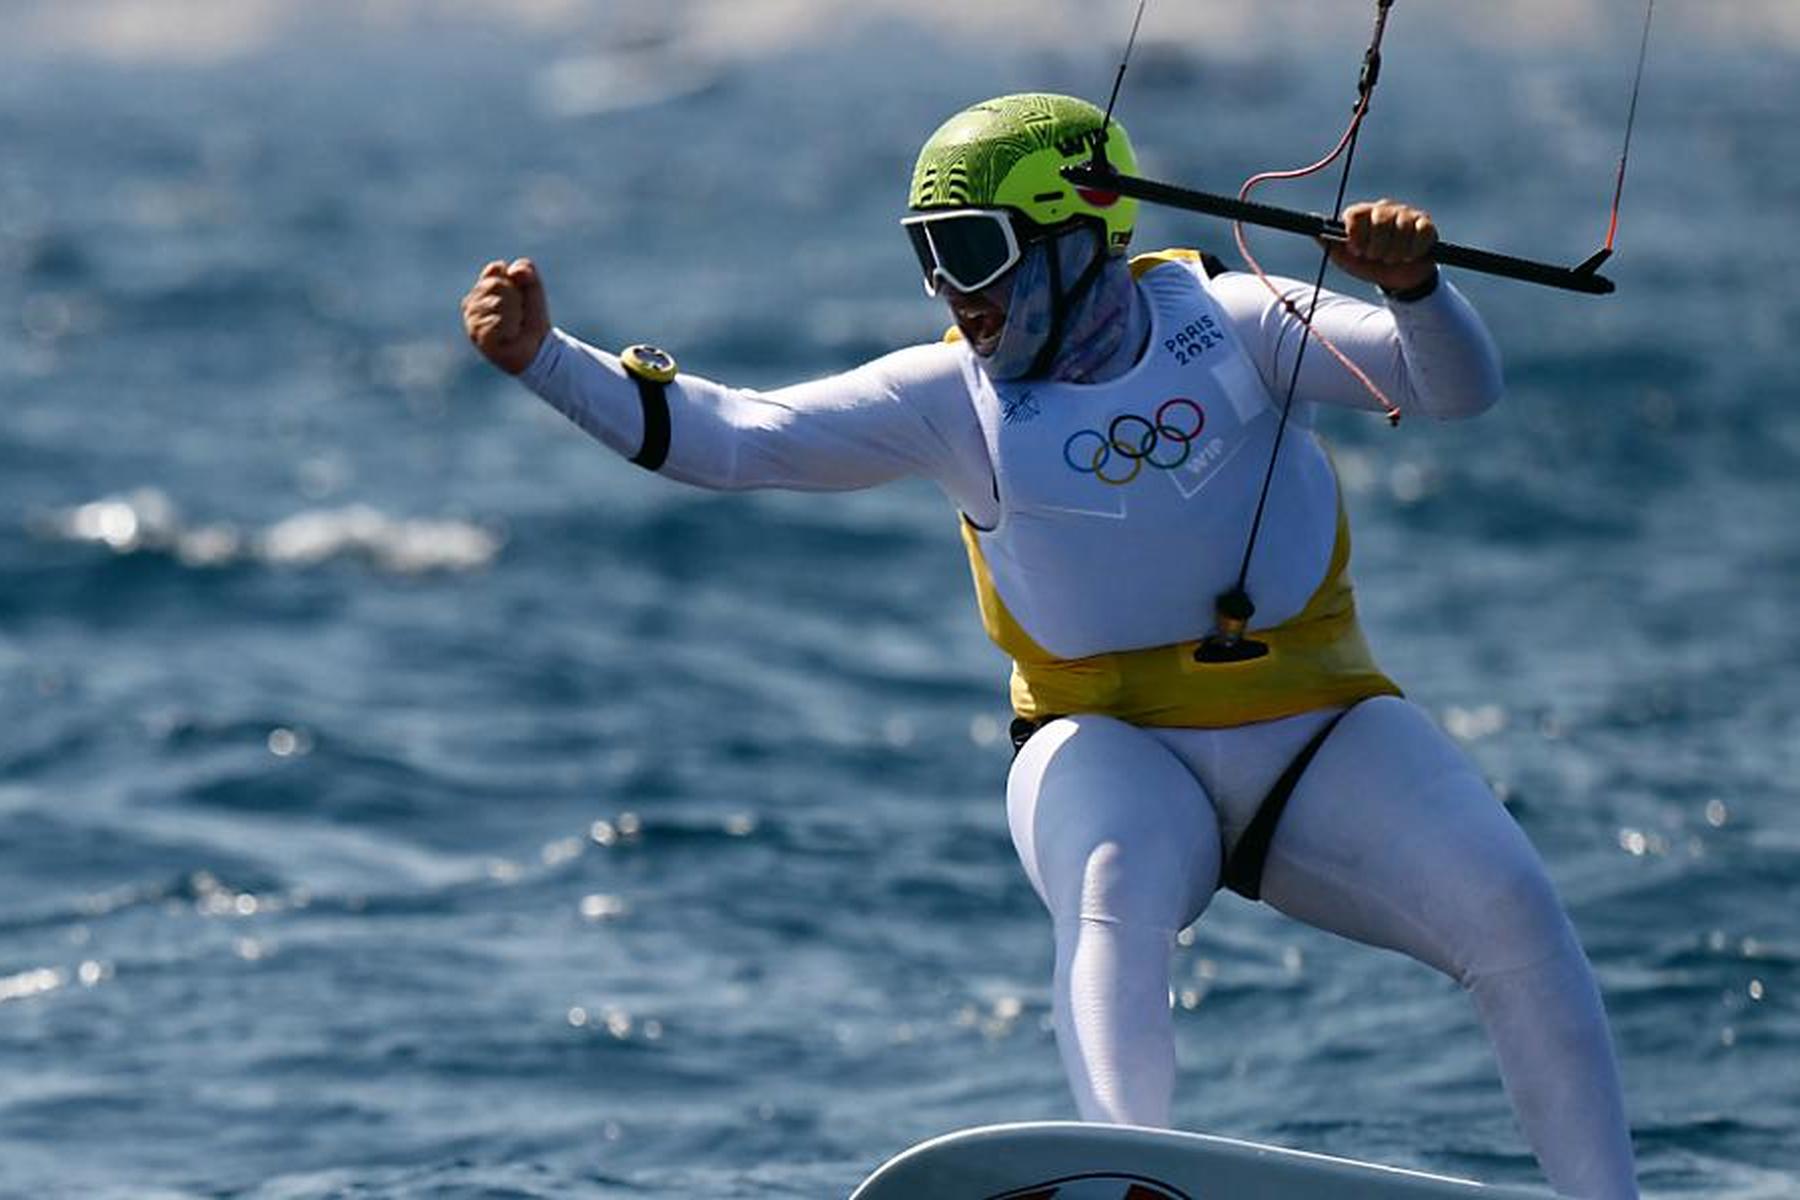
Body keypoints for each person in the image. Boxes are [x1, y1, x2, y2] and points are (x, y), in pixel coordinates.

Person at [460, 93, 1639, 1199]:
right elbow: (734, 438)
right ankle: (1130, 1178)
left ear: (1081, 234)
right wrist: (549, 363)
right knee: (1112, 888)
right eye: (927, 254)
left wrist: (1421, 291)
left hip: (1317, 729)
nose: (952, 294)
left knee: (1517, 915)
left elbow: (1457, 392)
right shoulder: (948, 397)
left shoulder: (1233, 321)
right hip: (1106, 742)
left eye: (973, 251)